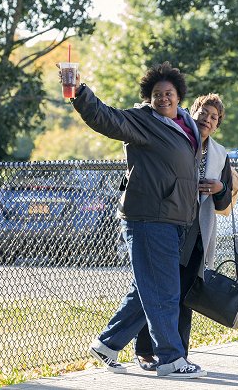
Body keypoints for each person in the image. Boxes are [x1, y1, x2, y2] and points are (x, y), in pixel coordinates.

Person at [68, 62, 206, 378]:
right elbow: (105, 117)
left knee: (145, 289)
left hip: (175, 218)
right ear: (149, 97)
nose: (163, 99)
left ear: (179, 96)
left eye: (168, 93)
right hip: (148, 217)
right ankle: (171, 359)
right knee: (163, 291)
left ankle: (106, 344)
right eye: (157, 94)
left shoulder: (186, 123)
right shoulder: (141, 121)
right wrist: (79, 93)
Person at [132, 93, 233, 371]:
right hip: (166, 226)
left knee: (183, 297)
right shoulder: (177, 138)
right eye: (204, 112)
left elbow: (224, 202)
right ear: (193, 112)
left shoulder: (220, 155)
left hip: (196, 235)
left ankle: (179, 355)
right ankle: (145, 352)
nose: (207, 119)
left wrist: (219, 189)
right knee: (157, 293)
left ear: (217, 124)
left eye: (214, 117)